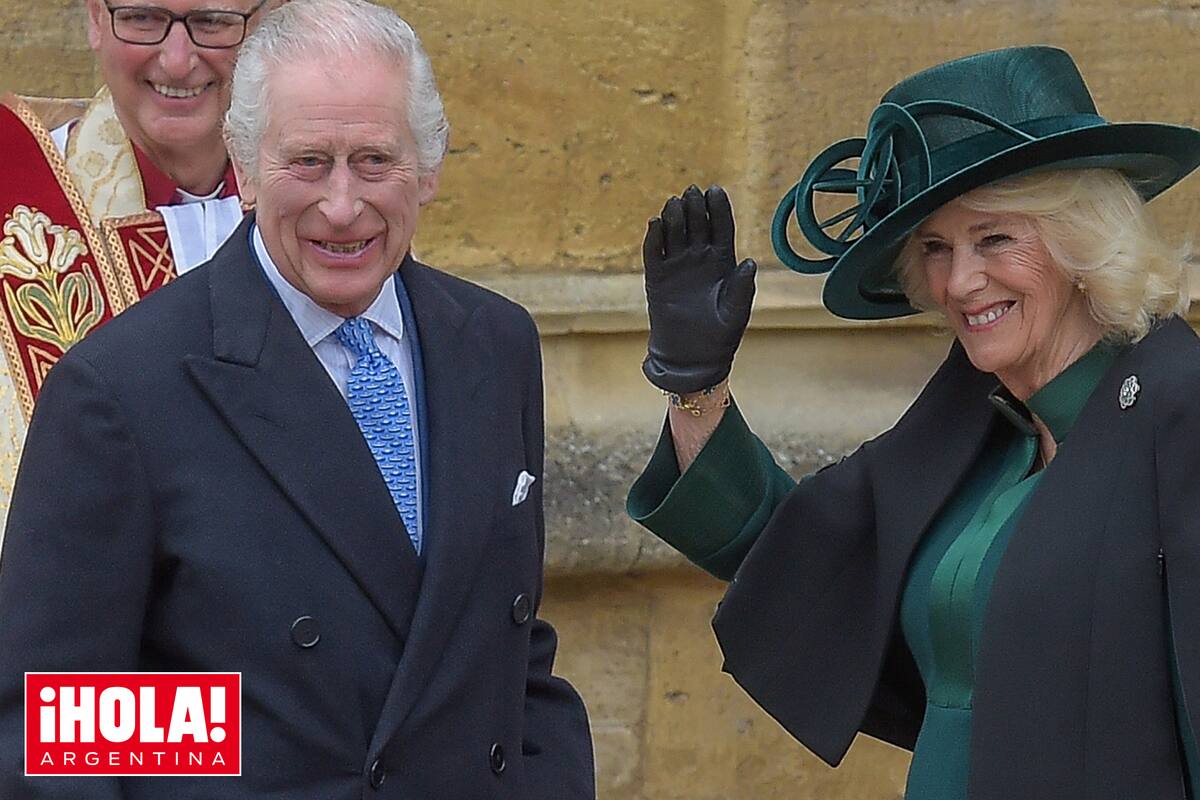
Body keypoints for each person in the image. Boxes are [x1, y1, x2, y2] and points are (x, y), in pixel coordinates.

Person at [0, 0, 595, 796]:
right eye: (308, 162)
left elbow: (506, 655)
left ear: (430, 169)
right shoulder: (118, 390)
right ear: (245, 170)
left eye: (375, 161)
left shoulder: (495, 344)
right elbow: (66, 726)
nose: (342, 206)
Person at [628, 46, 1200, 799]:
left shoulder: (1178, 408)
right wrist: (696, 387)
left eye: (995, 238)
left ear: (1081, 241)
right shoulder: (976, 423)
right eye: (935, 247)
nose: (961, 281)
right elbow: (806, 561)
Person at [0, 0, 280, 543]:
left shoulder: (333, 206)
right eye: (143, 18)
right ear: (94, 20)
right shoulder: (13, 185)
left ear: (271, 24)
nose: (177, 62)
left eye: (214, 22)